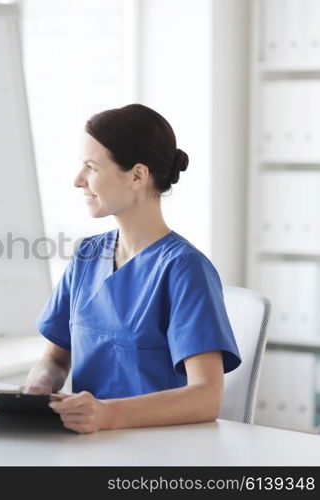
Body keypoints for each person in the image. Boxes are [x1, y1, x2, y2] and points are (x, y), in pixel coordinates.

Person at [24, 104, 241, 434]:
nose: (77, 180)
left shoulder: (184, 270)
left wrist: (107, 415)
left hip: (159, 454)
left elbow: (206, 397)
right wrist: (40, 385)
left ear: (138, 176)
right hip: (89, 446)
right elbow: (55, 358)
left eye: (91, 167)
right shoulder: (87, 255)